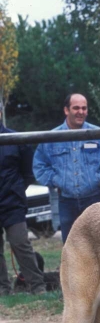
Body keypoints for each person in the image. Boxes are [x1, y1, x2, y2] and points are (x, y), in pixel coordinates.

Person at [33, 94, 100, 243]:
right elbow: (39, 165)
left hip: (95, 200)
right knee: (70, 247)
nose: (81, 112)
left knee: (99, 245)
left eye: (84, 108)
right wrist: (56, 180)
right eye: (76, 108)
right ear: (66, 110)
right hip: (66, 202)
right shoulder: (51, 137)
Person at [0, 105, 46, 295]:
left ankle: (38, 287)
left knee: (20, 243)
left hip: (13, 203)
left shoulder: (16, 139)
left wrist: (15, 191)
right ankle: (3, 290)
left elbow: (28, 174)